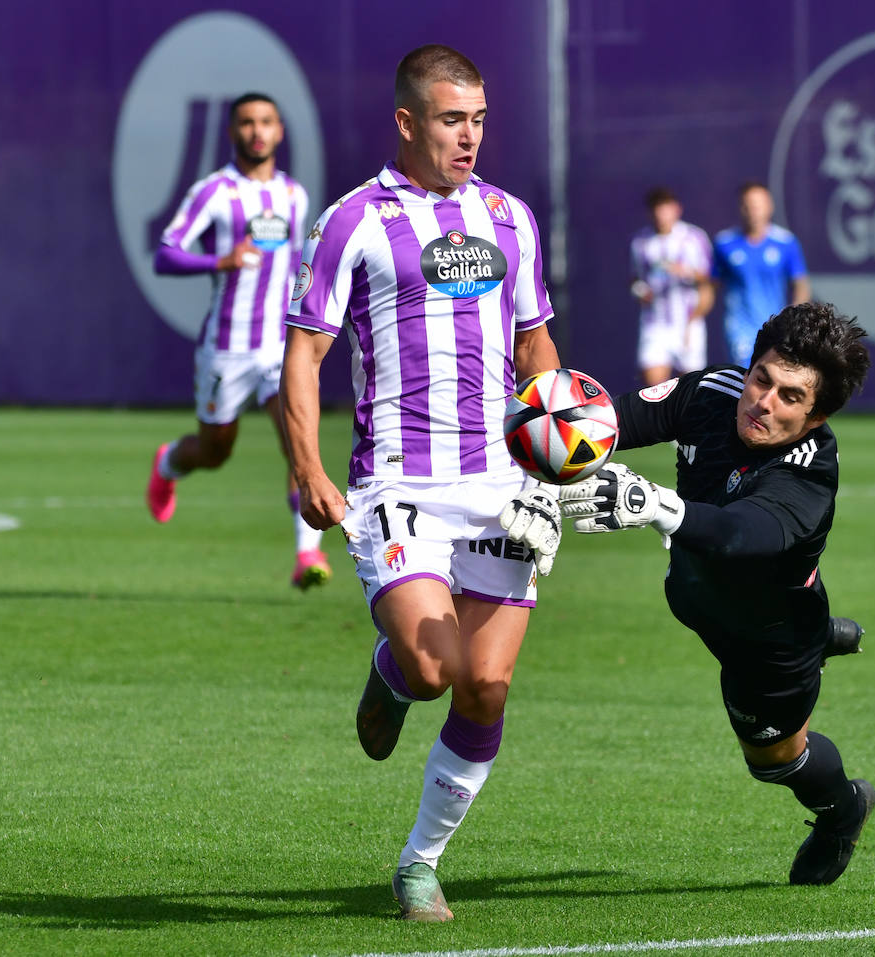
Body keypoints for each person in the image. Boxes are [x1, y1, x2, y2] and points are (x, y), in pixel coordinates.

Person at [279, 45, 562, 923]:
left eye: (478, 118)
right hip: (397, 483)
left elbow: (534, 342)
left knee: (486, 685)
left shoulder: (511, 218)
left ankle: (418, 864)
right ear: (407, 122)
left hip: (500, 484)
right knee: (434, 668)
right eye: (450, 120)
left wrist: (557, 429)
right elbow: (305, 354)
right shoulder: (353, 220)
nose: (468, 136)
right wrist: (306, 466)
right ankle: (392, 674)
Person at [503, 300, 875, 886]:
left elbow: (740, 536)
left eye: (790, 398)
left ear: (816, 414)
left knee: (772, 760)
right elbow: (606, 423)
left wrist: (655, 504)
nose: (764, 403)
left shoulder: (810, 467)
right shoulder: (713, 391)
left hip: (767, 638)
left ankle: (844, 808)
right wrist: (542, 475)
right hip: (700, 596)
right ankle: (826, 634)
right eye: (762, 379)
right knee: (701, 591)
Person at [144, 92, 330, 589]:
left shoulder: (294, 195)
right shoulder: (214, 192)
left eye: (266, 121)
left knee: (298, 444)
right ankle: (168, 463)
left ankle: (307, 556)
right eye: (247, 122)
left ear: (279, 131)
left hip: (278, 345)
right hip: (226, 347)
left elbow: (296, 265)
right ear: (232, 132)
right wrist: (217, 261)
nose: (257, 131)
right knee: (215, 451)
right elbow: (165, 254)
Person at [711, 182, 810, 370]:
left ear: (769, 207)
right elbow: (710, 283)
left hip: (776, 327)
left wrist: (793, 319)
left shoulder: (786, 242)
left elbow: (801, 285)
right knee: (747, 376)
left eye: (757, 205)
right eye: (747, 205)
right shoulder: (724, 243)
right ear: (741, 208)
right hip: (739, 329)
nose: (752, 211)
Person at [629, 187, 713, 386]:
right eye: (657, 209)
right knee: (652, 391)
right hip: (655, 324)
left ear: (677, 209)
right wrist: (640, 291)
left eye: (665, 208)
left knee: (691, 391)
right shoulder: (640, 242)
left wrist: (687, 272)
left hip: (688, 326)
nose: (661, 214)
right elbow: (634, 280)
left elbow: (709, 280)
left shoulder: (694, 238)